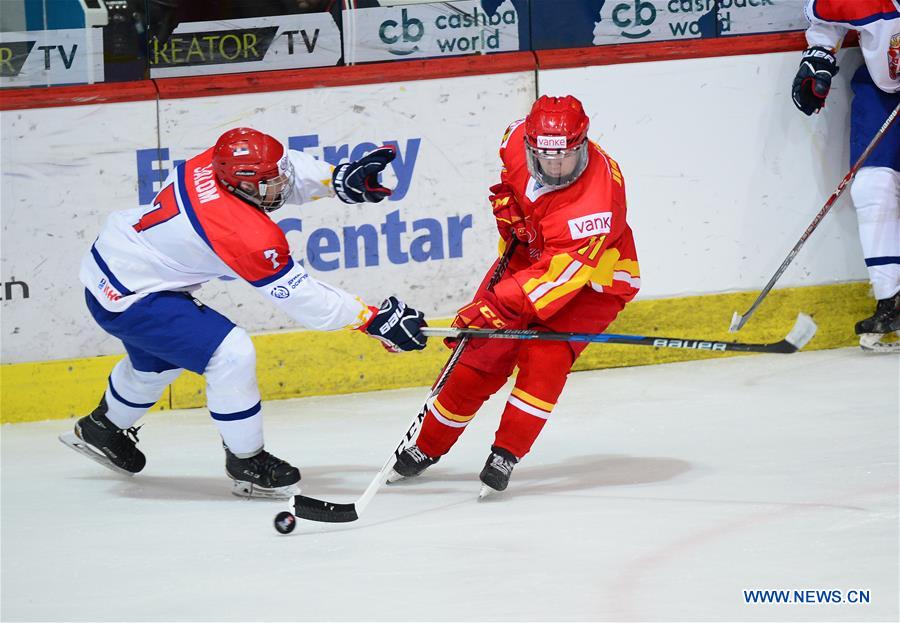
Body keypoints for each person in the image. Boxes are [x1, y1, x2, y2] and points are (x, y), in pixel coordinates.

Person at [59, 127, 428, 499]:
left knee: (156, 364)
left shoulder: (217, 162)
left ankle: (100, 430)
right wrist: (370, 319)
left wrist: (335, 178)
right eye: (272, 181)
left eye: (279, 172)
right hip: (133, 295)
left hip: (117, 266)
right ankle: (246, 462)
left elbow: (279, 171)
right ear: (242, 186)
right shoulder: (242, 233)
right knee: (230, 353)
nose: (283, 182)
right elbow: (302, 297)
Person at [389, 95, 640, 495]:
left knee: (545, 357)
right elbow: (512, 183)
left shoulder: (595, 205)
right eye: (546, 158)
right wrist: (511, 208)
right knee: (479, 354)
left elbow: (555, 283)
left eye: (566, 159)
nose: (555, 167)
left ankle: (506, 452)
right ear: (530, 145)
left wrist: (493, 309)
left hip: (593, 281)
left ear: (583, 145)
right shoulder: (514, 140)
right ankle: (426, 445)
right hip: (533, 254)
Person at [791, 0, 900, 350]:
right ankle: (892, 303)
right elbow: (830, 21)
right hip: (883, 89)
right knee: (871, 186)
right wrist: (819, 54)